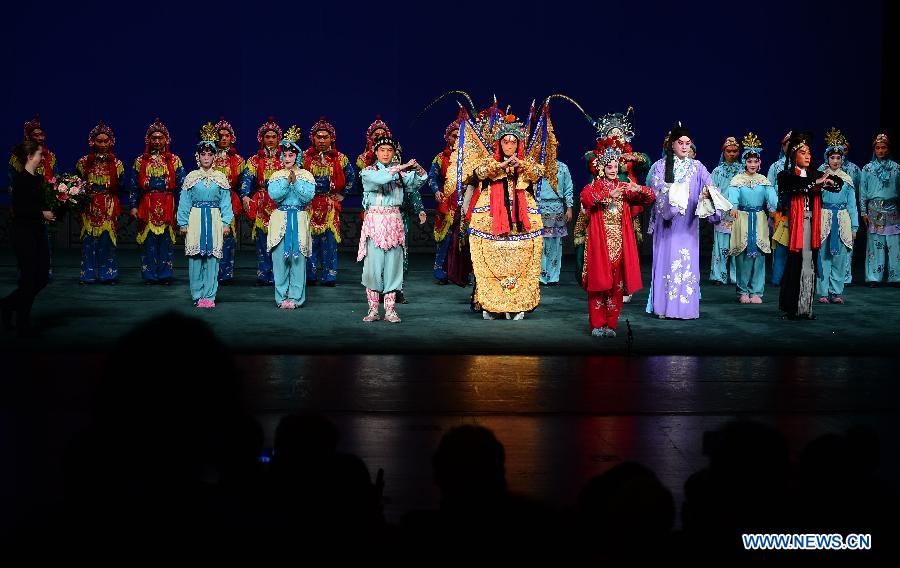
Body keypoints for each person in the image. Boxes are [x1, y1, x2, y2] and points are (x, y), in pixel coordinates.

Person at [646, 122, 729, 319]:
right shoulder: (659, 166)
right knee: (667, 262)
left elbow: (710, 188)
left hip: (688, 226)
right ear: (672, 145)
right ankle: (663, 308)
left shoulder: (697, 167)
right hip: (668, 224)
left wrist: (708, 197)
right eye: (680, 143)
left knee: (686, 263)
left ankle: (685, 309)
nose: (685, 147)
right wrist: (676, 196)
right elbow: (657, 191)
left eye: (688, 143)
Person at [470, 115, 544, 320]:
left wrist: (521, 165)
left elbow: (539, 172)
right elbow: (479, 172)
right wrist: (500, 167)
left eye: (513, 141)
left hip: (521, 218)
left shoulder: (526, 162)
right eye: (505, 141)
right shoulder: (490, 161)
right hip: (491, 217)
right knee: (490, 257)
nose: (509, 145)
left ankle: (517, 303)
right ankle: (493, 304)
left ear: (518, 144)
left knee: (520, 258)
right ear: (499, 144)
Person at [580, 147, 655, 337]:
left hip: (620, 241)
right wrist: (608, 196)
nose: (613, 170)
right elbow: (587, 200)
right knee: (599, 283)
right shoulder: (594, 186)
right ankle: (597, 324)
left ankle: (611, 324)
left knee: (617, 284)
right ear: (602, 168)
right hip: (600, 241)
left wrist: (637, 188)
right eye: (609, 167)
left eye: (615, 166)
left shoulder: (623, 187)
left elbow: (650, 197)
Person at [358, 136, 428, 322]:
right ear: (376, 152)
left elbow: (420, 180)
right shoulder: (368, 171)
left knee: (393, 266)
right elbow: (380, 179)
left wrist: (415, 167)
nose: (386, 153)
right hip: (375, 222)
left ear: (394, 152)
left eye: (390, 150)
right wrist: (401, 168)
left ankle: (390, 310)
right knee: (372, 267)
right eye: (382, 150)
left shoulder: (401, 174)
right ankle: (373, 309)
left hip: (394, 220)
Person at [777, 131, 841, 319]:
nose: (808, 156)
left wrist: (828, 180)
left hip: (811, 225)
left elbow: (837, 185)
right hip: (796, 227)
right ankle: (792, 308)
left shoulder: (815, 173)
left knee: (810, 264)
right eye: (803, 153)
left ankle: (806, 308)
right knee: (796, 265)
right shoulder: (786, 175)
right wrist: (817, 181)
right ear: (794, 155)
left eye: (809, 153)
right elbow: (795, 185)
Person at [176, 123, 234, 308]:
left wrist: (226, 223)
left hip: (215, 218)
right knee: (195, 257)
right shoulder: (191, 177)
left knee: (212, 258)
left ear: (214, 157)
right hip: (195, 218)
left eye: (210, 154)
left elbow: (226, 201)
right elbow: (184, 201)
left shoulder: (220, 177)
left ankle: (209, 295)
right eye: (203, 154)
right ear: (198, 156)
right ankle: (197, 294)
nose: (206, 157)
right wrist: (183, 223)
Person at [1, 140, 54, 336]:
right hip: (23, 234)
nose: (42, 158)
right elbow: (20, 210)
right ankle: (22, 321)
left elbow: (44, 204)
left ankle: (8, 304)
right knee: (28, 279)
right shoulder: (20, 179)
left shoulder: (39, 180)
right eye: (39, 154)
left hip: (38, 233)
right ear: (30, 156)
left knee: (41, 278)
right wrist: (42, 214)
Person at [129, 118, 186, 284]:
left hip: (168, 203)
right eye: (154, 138)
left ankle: (165, 275)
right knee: (148, 242)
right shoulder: (140, 161)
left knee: (166, 242)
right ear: (149, 140)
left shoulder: (175, 160)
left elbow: (182, 186)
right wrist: (132, 206)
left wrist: (181, 208)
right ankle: (149, 275)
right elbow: (133, 186)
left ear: (166, 139)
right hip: (147, 203)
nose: (157, 141)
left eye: (160, 138)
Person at [723, 133, 778, 304]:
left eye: (755, 161)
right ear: (744, 162)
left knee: (759, 256)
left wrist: (777, 209)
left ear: (760, 162)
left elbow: (773, 199)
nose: (752, 164)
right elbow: (733, 197)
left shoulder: (764, 180)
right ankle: (743, 291)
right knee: (743, 256)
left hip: (760, 220)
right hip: (743, 219)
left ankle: (757, 291)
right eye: (749, 161)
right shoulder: (737, 180)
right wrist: (733, 206)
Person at [266, 126, 316, 309]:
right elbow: (275, 196)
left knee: (297, 259)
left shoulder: (306, 176)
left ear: (297, 157)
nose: (288, 159)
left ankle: (295, 298)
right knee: (279, 260)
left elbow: (307, 197)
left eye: (291, 155)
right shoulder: (276, 175)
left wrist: (295, 182)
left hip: (299, 218)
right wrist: (287, 182)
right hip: (281, 218)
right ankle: (281, 298)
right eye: (285, 155)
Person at [303, 116, 355, 286]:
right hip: (309, 205)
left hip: (330, 205)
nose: (322, 140)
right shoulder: (304, 157)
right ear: (313, 138)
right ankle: (310, 275)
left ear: (332, 138)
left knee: (330, 242)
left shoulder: (341, 158)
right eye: (319, 137)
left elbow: (352, 178)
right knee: (309, 241)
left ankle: (329, 276)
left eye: (326, 137)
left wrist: (342, 195)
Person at [75, 121, 124, 284]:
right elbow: (77, 186)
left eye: (106, 141)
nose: (103, 144)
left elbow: (121, 187)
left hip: (108, 205)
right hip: (89, 206)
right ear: (92, 142)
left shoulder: (117, 164)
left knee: (107, 241)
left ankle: (108, 274)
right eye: (99, 141)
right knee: (88, 241)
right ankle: (87, 274)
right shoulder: (82, 163)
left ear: (111, 142)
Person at [816, 129, 859, 304]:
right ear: (827, 159)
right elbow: (815, 201)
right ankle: (823, 292)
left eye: (838, 158)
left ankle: (836, 292)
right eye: (832, 158)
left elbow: (852, 205)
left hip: (842, 219)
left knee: (840, 258)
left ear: (842, 160)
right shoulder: (820, 177)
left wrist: (854, 227)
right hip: (824, 217)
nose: (835, 161)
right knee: (823, 256)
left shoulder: (847, 179)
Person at [239, 117, 283, 285]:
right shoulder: (254, 160)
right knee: (262, 240)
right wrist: (244, 195)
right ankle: (263, 274)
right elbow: (246, 180)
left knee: (279, 240)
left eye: (273, 137)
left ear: (278, 138)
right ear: (262, 139)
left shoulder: (285, 158)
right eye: (267, 137)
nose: (270, 140)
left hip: (280, 204)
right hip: (262, 202)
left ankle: (279, 274)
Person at [859, 132, 900, 286]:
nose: (881, 150)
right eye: (878, 148)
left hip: (892, 208)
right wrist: (863, 211)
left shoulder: (896, 168)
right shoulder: (867, 169)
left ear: (888, 149)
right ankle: (874, 278)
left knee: (894, 245)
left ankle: (895, 277)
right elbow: (862, 192)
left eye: (884, 147)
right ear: (874, 150)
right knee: (875, 245)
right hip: (874, 209)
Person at [211, 117, 245, 284]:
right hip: (210, 201)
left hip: (230, 201)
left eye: (227, 135)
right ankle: (210, 272)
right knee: (211, 236)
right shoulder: (207, 156)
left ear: (232, 138)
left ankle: (225, 274)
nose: (223, 138)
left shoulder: (238, 160)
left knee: (228, 237)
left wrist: (244, 199)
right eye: (220, 135)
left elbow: (242, 185)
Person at [709, 136, 742, 285]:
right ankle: (718, 276)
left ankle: (736, 277)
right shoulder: (717, 171)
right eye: (729, 151)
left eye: (735, 151)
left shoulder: (743, 170)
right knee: (720, 245)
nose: (732, 154)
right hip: (722, 214)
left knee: (737, 245)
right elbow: (710, 191)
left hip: (738, 213)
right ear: (724, 152)